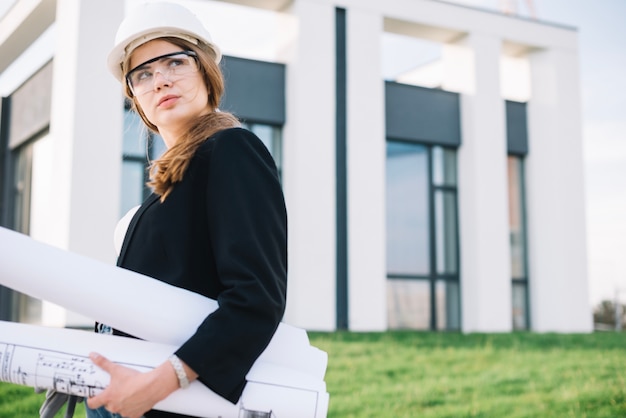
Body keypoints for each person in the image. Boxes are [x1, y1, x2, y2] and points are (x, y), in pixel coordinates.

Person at [84, 3, 287, 418]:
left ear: (206, 73)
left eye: (174, 62)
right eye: (143, 74)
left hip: (170, 402)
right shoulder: (169, 186)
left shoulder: (232, 150)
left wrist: (158, 384)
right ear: (136, 99)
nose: (160, 80)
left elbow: (255, 300)